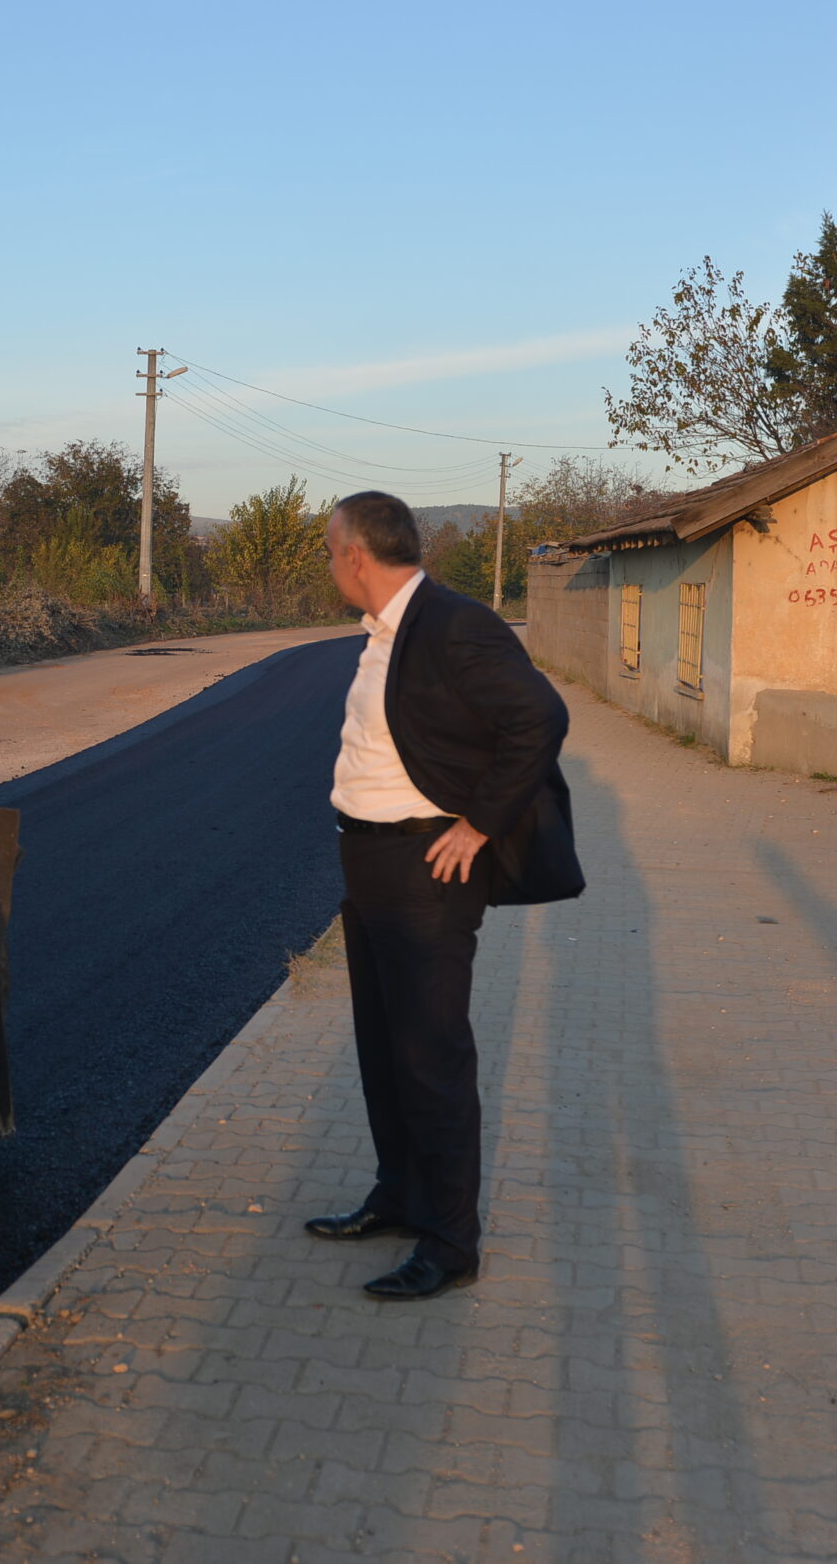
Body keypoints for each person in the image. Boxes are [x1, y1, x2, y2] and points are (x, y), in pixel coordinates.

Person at [304, 491, 583, 1300]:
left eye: (330, 552)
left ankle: (450, 1241)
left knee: (431, 1056)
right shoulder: (386, 630)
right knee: (386, 1051)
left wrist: (479, 825)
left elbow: (540, 715)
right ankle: (399, 1196)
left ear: (358, 554)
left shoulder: (453, 623)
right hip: (372, 866)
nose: (330, 567)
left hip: (427, 871)